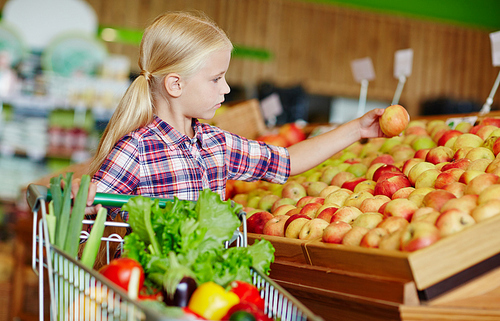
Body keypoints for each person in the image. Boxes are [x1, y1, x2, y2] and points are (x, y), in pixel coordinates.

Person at [74, 11, 386, 219]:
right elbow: (89, 206)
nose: (226, 89)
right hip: (149, 299)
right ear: (175, 84)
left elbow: (287, 161)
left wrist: (356, 129)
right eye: (215, 79)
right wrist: (82, 194)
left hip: (203, 293)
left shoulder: (215, 143)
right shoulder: (136, 149)